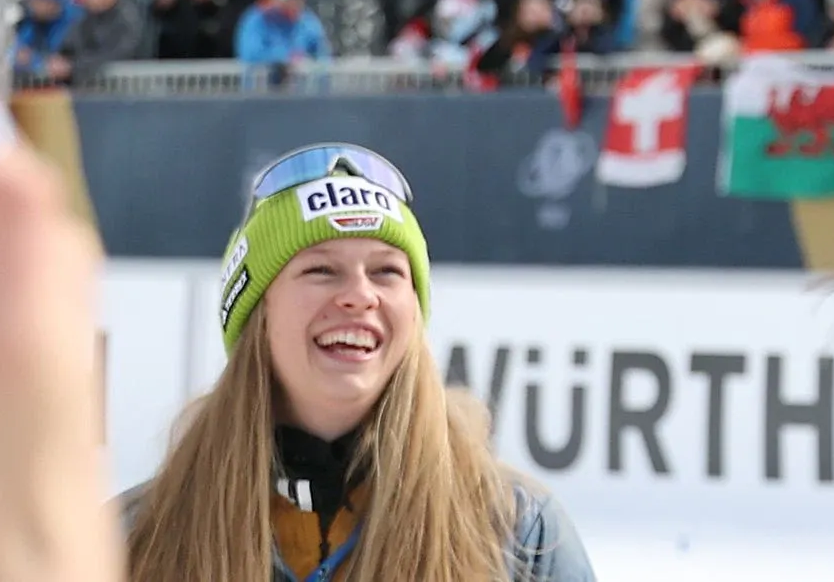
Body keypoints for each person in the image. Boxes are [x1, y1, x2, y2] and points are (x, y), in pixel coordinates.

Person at [123, 143, 588, 581]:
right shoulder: (136, 535)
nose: (360, 296)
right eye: (321, 270)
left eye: (386, 271)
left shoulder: (519, 532)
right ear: (257, 314)